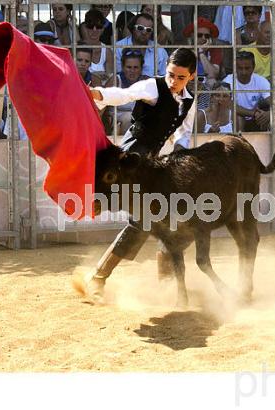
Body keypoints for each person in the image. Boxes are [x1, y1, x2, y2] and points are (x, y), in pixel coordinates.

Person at [87, 48, 197, 301]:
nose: (173, 82)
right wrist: (96, 93)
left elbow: (183, 133)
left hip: (152, 166)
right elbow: (124, 94)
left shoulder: (188, 101)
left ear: (191, 76)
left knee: (171, 220)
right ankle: (98, 277)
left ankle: (163, 282)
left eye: (180, 78)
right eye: (170, 75)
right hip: (129, 159)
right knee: (144, 221)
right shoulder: (152, 86)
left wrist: (181, 155)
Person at [103, 48, 149, 134]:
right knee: (128, 118)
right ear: (123, 68)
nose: (132, 71)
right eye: (129, 67)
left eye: (136, 67)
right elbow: (102, 105)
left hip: (137, 119)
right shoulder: (115, 81)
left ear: (141, 68)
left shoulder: (146, 81)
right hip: (115, 119)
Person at [223, 51, 271, 132]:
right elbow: (228, 104)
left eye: (247, 68)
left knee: (268, 118)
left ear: (253, 67)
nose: (243, 72)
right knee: (238, 118)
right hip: (237, 118)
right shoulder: (228, 81)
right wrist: (253, 113)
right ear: (235, 68)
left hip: (256, 118)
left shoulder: (261, 80)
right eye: (240, 68)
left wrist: (268, 114)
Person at [115, 13, 168, 77]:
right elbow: (117, 77)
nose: (144, 32)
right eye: (140, 28)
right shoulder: (118, 48)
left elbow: (165, 78)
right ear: (133, 28)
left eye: (148, 30)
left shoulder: (160, 51)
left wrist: (151, 81)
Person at [183, 18, 222, 85]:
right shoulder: (185, 51)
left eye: (207, 36)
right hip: (189, 82)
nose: (203, 38)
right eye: (199, 35)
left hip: (206, 83)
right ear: (193, 36)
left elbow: (212, 75)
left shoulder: (215, 50)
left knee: (212, 81)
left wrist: (201, 53)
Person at [79, 9, 114, 84]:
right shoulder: (77, 48)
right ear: (85, 27)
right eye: (91, 26)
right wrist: (98, 74)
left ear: (103, 28)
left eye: (98, 26)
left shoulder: (107, 51)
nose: (94, 30)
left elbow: (110, 78)